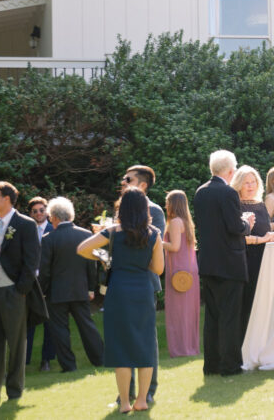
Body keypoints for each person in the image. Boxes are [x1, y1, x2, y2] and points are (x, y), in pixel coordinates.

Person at [78, 190, 163, 413]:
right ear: (145, 209)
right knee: (145, 345)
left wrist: (106, 258)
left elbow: (82, 248)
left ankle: (125, 403)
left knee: (121, 347)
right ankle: (142, 400)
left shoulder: (113, 232)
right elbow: (158, 269)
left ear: (122, 208)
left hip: (119, 291)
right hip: (143, 292)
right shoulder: (154, 234)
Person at [0, 181, 45, 402]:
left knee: (16, 343)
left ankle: (14, 391)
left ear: (7, 198)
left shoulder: (25, 224)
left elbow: (32, 260)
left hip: (14, 291)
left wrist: (21, 290)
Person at [193, 150, 254, 376]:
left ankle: (212, 364)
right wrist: (247, 223)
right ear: (230, 171)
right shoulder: (228, 193)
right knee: (230, 316)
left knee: (212, 316)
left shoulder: (200, 192)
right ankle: (230, 365)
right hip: (229, 262)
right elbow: (234, 227)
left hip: (208, 262)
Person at [37, 197, 103, 373]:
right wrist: (91, 288)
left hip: (56, 292)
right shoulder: (86, 235)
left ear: (54, 217)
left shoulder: (48, 239)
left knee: (60, 330)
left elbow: (44, 270)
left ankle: (68, 365)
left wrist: (41, 291)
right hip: (80, 289)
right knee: (87, 326)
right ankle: (100, 359)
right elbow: (92, 266)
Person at [117, 165, 163, 403]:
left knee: (145, 340)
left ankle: (148, 392)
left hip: (144, 282)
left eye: (128, 179)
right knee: (123, 339)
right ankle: (126, 393)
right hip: (122, 282)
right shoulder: (121, 209)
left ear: (142, 185)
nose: (123, 182)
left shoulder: (154, 210)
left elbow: (154, 247)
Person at [231, 167, 274, 341]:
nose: (250, 186)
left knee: (265, 303)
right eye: (246, 183)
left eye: (253, 182)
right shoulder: (236, 206)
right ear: (238, 185)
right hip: (245, 260)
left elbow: (266, 230)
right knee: (246, 304)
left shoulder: (261, 205)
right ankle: (243, 343)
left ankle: (262, 341)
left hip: (264, 259)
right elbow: (237, 238)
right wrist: (262, 239)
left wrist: (272, 237)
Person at [162, 190, 202, 357]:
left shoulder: (175, 222)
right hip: (189, 269)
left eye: (167, 203)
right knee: (188, 311)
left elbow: (174, 247)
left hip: (179, 270)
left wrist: (157, 241)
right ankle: (190, 346)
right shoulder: (187, 222)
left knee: (178, 312)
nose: (166, 206)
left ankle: (181, 349)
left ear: (172, 204)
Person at [25, 196, 55, 372]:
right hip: (30, 281)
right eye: (34, 211)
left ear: (47, 212)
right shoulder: (26, 230)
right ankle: (24, 360)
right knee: (27, 322)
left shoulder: (53, 230)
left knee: (49, 323)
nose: (38, 213)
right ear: (30, 214)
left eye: (41, 210)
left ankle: (46, 360)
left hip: (49, 281)